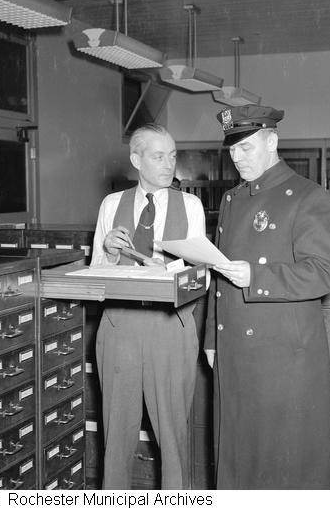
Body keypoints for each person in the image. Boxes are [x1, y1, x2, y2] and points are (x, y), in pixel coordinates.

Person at [204, 105, 330, 489]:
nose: (237, 158)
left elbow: (324, 272)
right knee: (238, 450)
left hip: (282, 353)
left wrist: (257, 276)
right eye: (232, 150)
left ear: (272, 141)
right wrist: (212, 338)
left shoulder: (307, 196)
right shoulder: (232, 199)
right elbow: (218, 278)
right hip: (233, 346)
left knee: (284, 459)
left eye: (245, 147)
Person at [90, 123, 206, 489]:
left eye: (172, 155)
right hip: (119, 328)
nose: (169, 164)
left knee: (173, 438)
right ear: (136, 160)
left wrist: (170, 269)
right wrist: (109, 253)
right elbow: (95, 275)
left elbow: (201, 277)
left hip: (170, 328)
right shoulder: (112, 204)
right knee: (116, 437)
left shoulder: (191, 206)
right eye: (158, 156)